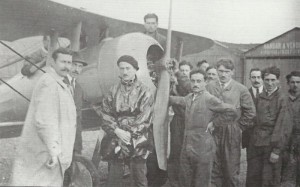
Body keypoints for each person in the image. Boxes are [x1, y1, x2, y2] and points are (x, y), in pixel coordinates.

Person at [10, 48, 76, 186]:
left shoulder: (59, 82)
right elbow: (44, 121)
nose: (67, 66)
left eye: (69, 62)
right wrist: (54, 151)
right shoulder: (49, 83)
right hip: (46, 153)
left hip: (51, 151)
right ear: (52, 62)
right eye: (63, 62)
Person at [169, 69, 237, 187]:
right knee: (184, 181)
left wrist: (215, 123)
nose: (195, 84)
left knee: (201, 182)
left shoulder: (209, 99)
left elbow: (232, 111)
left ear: (205, 82)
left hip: (203, 147)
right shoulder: (189, 97)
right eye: (193, 81)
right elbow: (176, 100)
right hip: (187, 147)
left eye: (199, 81)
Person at [94, 55, 154, 187]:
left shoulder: (145, 91)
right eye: (122, 68)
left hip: (137, 140)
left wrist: (129, 135)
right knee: (114, 178)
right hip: (116, 138)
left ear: (135, 69)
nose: (125, 72)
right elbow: (105, 113)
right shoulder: (113, 90)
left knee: (139, 178)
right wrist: (116, 130)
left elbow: (145, 117)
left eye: (128, 68)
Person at [206, 58, 256, 187]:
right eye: (220, 71)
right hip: (212, 131)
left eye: (226, 71)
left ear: (232, 72)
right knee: (213, 167)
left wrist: (239, 127)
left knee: (230, 169)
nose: (223, 74)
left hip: (231, 132)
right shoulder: (210, 87)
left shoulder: (241, 89)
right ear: (217, 71)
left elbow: (250, 112)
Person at [247, 66, 292, 187]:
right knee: (253, 179)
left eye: (273, 80)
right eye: (267, 80)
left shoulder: (283, 99)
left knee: (269, 180)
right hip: (255, 145)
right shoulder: (260, 97)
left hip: (271, 146)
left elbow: (283, 127)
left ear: (278, 80)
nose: (270, 83)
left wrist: (276, 150)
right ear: (263, 80)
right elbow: (252, 119)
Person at [63, 52, 88, 186]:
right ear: (68, 64)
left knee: (71, 173)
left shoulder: (79, 88)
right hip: (61, 139)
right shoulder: (59, 83)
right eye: (74, 65)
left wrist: (78, 142)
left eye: (80, 66)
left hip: (74, 139)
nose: (76, 69)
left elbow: (79, 118)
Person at [168, 60, 193, 187]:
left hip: (191, 122)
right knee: (176, 150)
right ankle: (175, 180)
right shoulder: (176, 84)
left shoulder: (192, 84)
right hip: (178, 121)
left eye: (186, 70)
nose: (183, 73)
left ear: (190, 72)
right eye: (181, 70)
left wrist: (176, 71)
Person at [244, 68, 264, 187]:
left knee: (265, 168)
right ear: (250, 78)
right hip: (250, 137)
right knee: (252, 167)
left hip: (265, 137)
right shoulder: (245, 93)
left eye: (258, 77)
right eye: (253, 77)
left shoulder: (268, 93)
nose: (256, 80)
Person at [281, 71, 300, 187]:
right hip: (285, 139)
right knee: (283, 170)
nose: (296, 85)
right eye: (292, 82)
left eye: (298, 82)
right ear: (288, 83)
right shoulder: (282, 99)